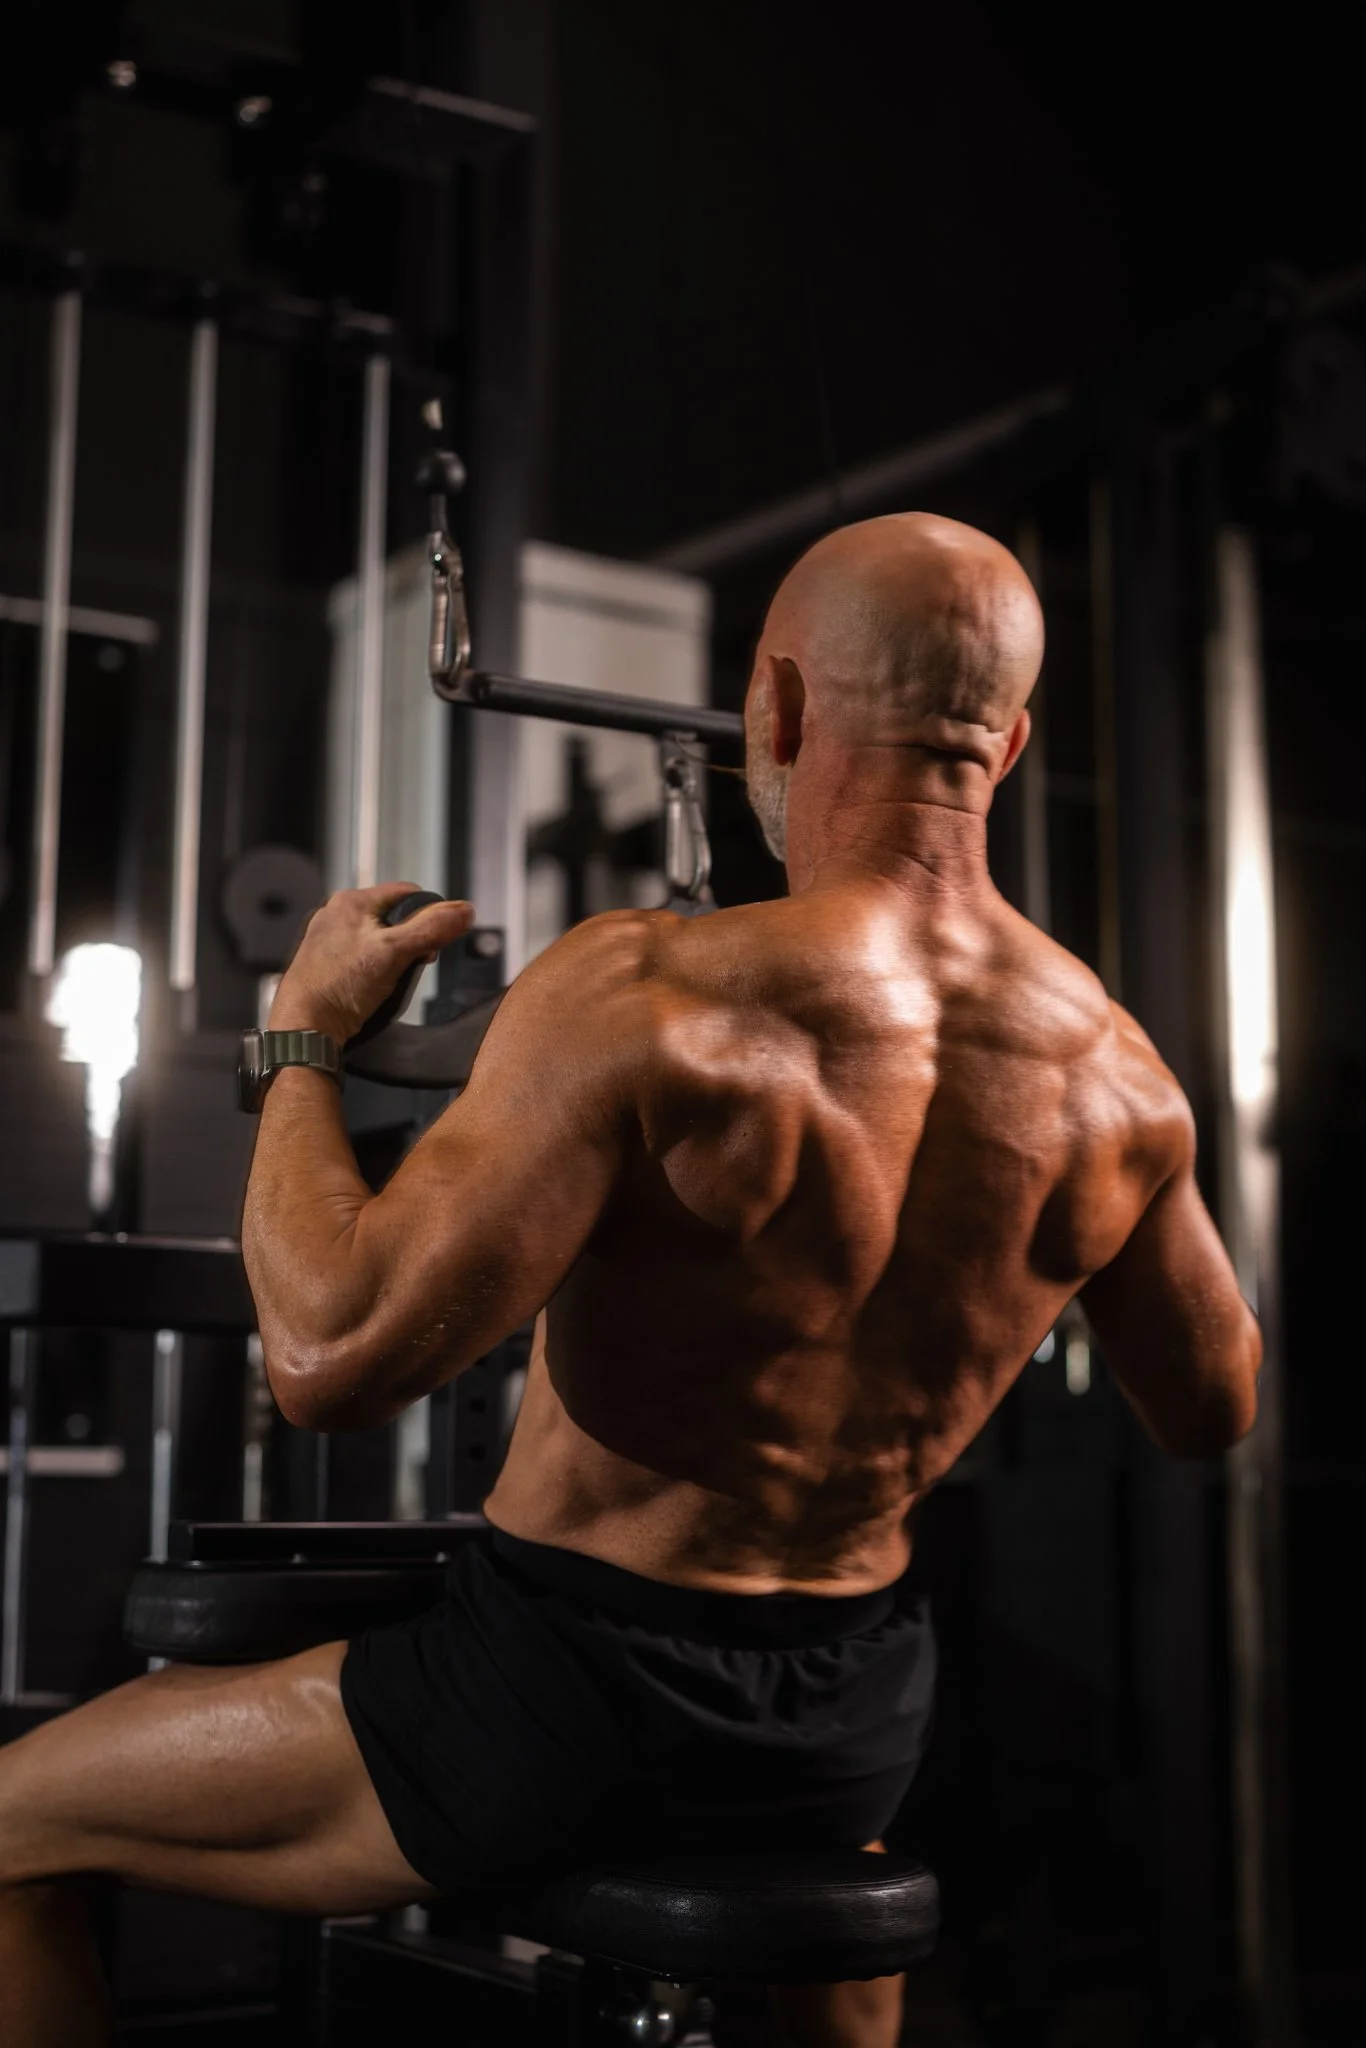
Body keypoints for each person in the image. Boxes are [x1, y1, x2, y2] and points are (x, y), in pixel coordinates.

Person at [0, 513, 1261, 2048]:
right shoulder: (1118, 1074)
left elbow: (325, 1355)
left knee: (7, 1833)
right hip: (854, 1721)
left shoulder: (645, 996)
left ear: (776, 710)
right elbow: (1211, 1406)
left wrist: (299, 1044)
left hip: (567, 1698)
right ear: (1008, 742)